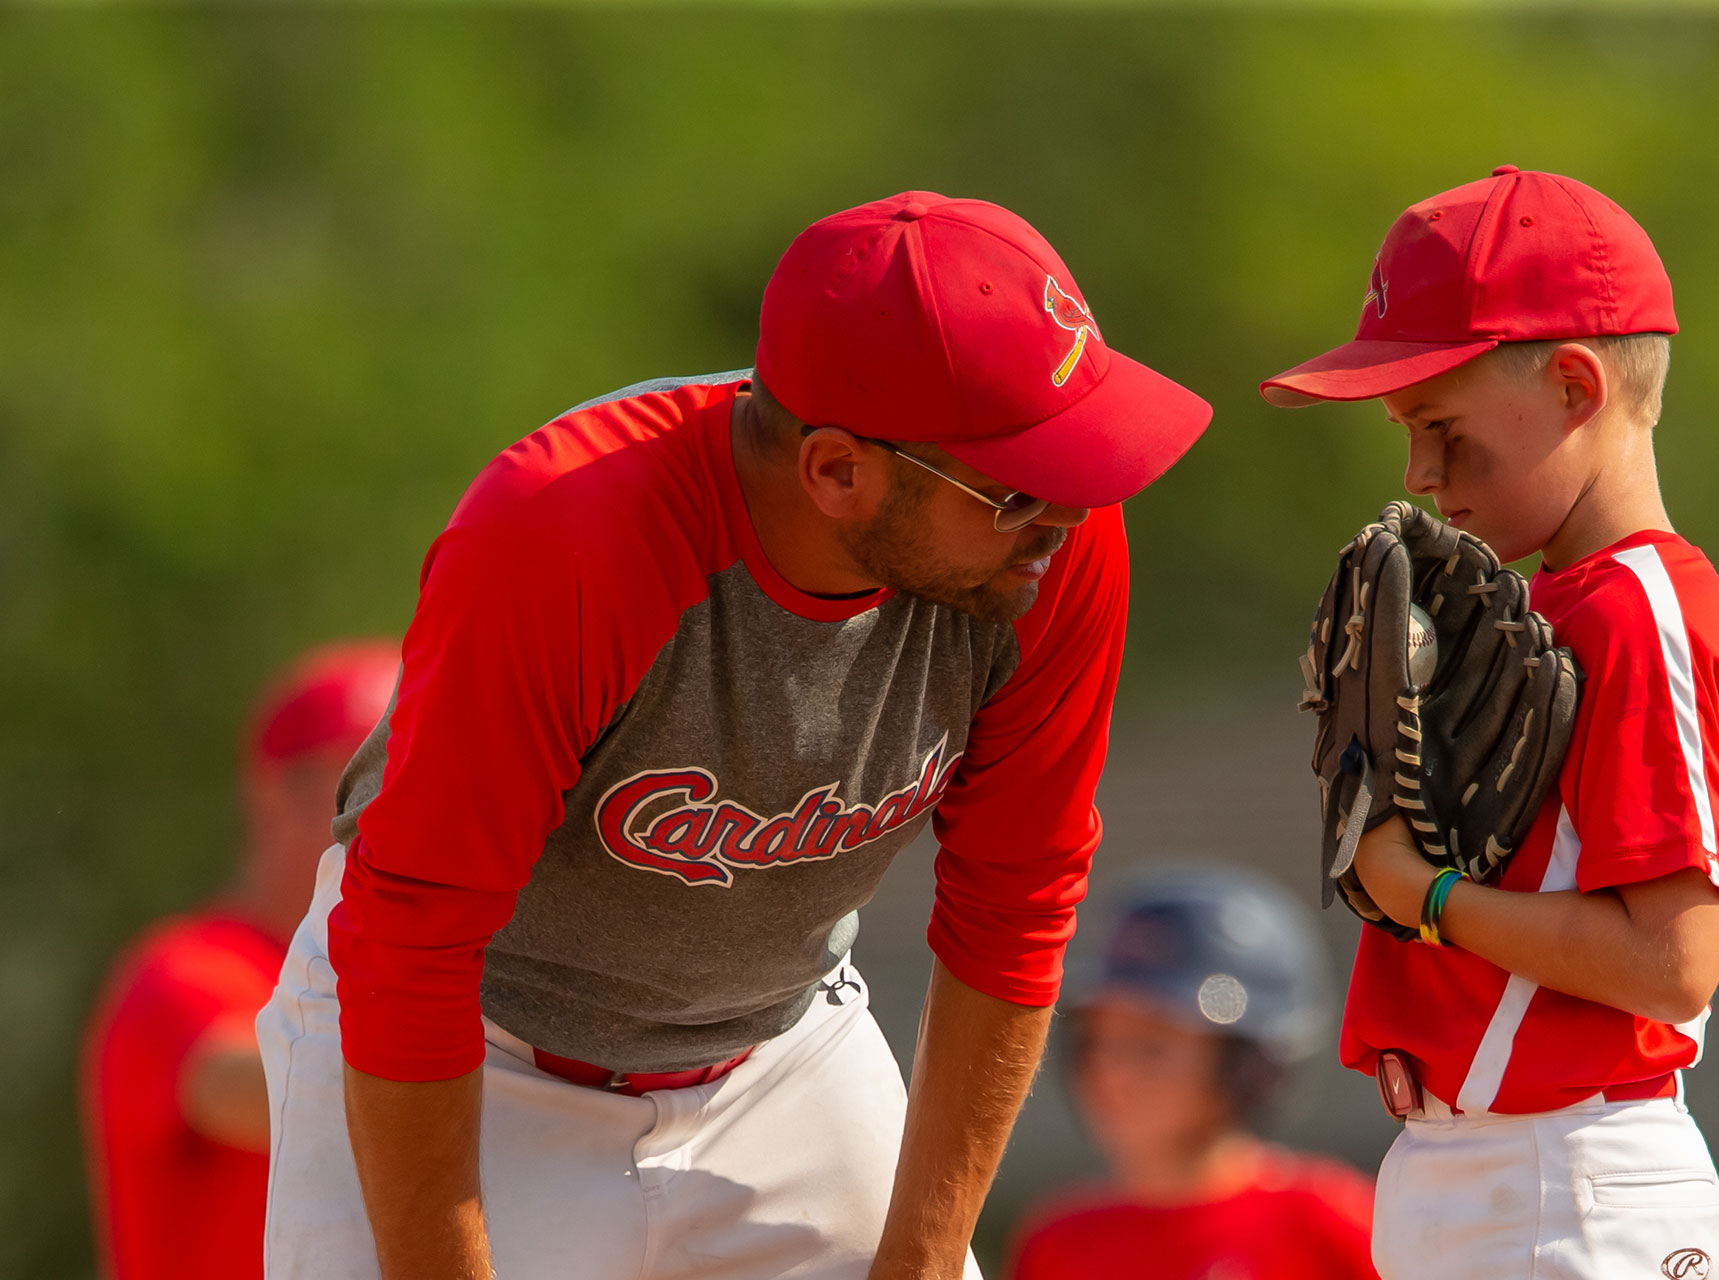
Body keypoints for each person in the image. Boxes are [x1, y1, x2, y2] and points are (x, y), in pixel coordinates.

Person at [255, 191, 1213, 1280]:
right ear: (840, 470)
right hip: (469, 1051)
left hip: (779, 1058)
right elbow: (412, 943)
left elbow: (1017, 900)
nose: (1068, 510)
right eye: (1015, 484)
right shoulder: (569, 535)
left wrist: (924, 1256)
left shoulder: (1046, 541)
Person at [1259, 166, 1719, 1280]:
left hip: (1570, 1169)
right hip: (1477, 1168)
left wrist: (1426, 896)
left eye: (1441, 424)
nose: (1419, 473)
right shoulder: (1540, 612)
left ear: (1578, 385)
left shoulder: (1642, 608)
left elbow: (1675, 962)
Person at [80, 641, 402, 1280]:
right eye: (377, 779)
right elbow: (295, 1098)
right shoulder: (186, 970)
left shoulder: (387, 981)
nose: (404, 813)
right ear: (275, 795)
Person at [1006, 864, 1377, 1280]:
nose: (1112, 1072)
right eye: (1098, 1042)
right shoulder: (1059, 1243)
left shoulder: (1330, 1223)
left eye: (1152, 1047)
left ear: (1248, 1066)